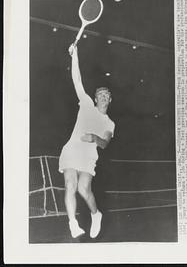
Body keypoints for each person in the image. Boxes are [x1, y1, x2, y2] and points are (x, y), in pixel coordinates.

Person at [59, 44, 115, 239]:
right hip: (72, 149)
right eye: (99, 94)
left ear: (109, 100)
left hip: (88, 156)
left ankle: (96, 214)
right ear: (95, 97)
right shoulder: (86, 104)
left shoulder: (109, 123)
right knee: (70, 185)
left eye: (105, 95)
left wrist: (94, 138)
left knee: (84, 189)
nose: (102, 96)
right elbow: (77, 79)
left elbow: (105, 143)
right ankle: (73, 224)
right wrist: (75, 55)